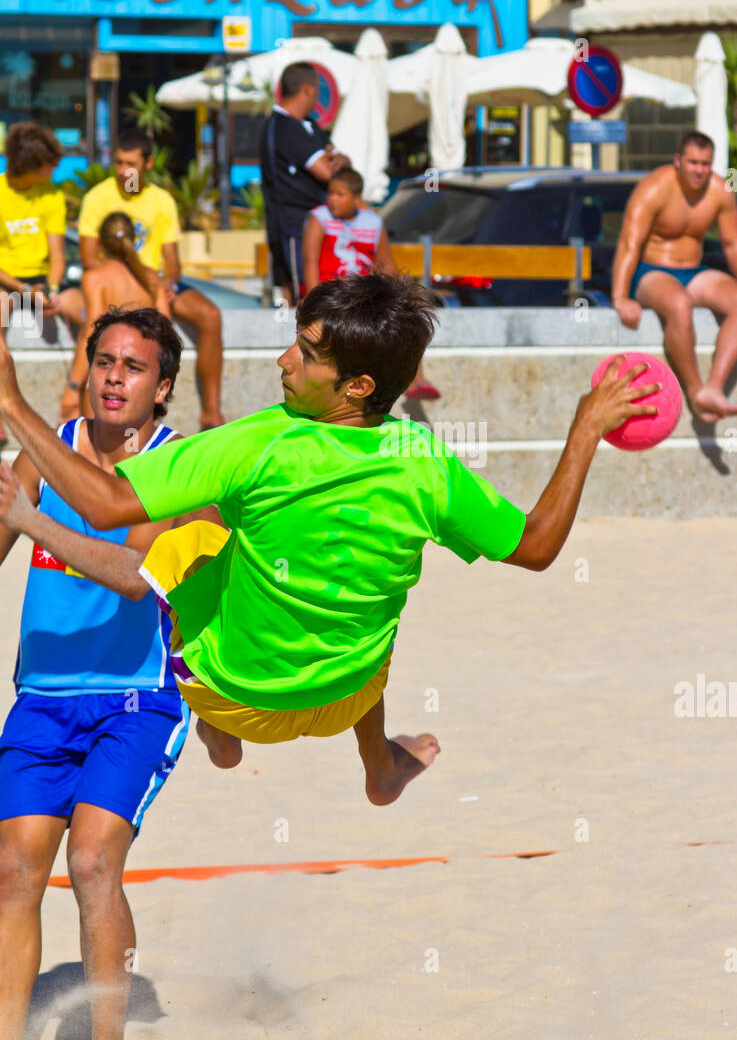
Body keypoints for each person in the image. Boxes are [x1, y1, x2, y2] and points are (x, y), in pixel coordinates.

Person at [0, 273, 658, 805]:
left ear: (359, 385)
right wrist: (586, 429)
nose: (284, 361)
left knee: (192, 541)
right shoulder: (424, 461)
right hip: (343, 695)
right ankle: (380, 766)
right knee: (376, 594)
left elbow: (106, 503)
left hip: (234, 693)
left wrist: (10, 404)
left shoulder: (256, 440)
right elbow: (539, 545)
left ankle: (220, 736)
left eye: (307, 355)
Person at [0, 306, 218, 1040]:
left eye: (134, 366)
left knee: (93, 862)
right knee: (16, 869)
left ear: (163, 388)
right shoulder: (47, 448)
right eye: (105, 362)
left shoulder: (175, 465)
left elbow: (134, 576)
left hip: (137, 699)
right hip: (43, 697)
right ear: (86, 371)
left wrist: (30, 519)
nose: (115, 376)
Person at [611, 131, 737, 422]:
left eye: (705, 164)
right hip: (652, 272)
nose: (699, 170)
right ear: (678, 161)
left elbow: (734, 245)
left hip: (693, 272)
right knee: (679, 304)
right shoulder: (655, 188)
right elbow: (629, 242)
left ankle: (714, 388)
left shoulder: (719, 192)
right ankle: (695, 392)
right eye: (693, 162)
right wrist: (621, 296)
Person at [77, 128, 224, 430]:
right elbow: (89, 258)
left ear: (148, 163)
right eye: (118, 163)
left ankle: (210, 410)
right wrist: (131, 273)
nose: (123, 171)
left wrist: (167, 284)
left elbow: (172, 260)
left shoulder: (162, 200)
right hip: (120, 279)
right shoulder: (98, 197)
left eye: (130, 163)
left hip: (155, 281)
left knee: (211, 315)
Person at [303, 168, 440, 400]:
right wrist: (312, 301)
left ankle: (416, 379)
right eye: (331, 193)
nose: (332, 199)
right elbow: (310, 261)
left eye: (340, 194)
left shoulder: (373, 222)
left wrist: (408, 298)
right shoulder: (320, 218)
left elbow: (387, 265)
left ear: (356, 198)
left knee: (406, 320)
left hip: (365, 296)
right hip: (333, 296)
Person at [0, 122, 85, 445]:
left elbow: (58, 253)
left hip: (42, 280)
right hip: (7, 280)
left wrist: (48, 290)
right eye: (51, 163)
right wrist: (23, 290)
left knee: (93, 317)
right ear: (32, 166)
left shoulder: (51, 194)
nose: (57, 166)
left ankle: (75, 396)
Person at [259, 62, 351, 306]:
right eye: (318, 89)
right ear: (308, 90)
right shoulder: (284, 126)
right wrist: (335, 160)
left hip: (310, 225)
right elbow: (326, 171)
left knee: (318, 297)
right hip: (294, 228)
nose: (319, 95)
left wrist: (338, 160)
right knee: (307, 300)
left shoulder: (307, 126)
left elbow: (344, 163)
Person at [64, 213, 171, 417]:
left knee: (97, 444)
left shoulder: (96, 278)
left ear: (100, 243)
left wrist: (73, 385)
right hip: (143, 376)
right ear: (133, 239)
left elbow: (91, 332)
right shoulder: (150, 277)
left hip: (109, 374)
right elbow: (166, 331)